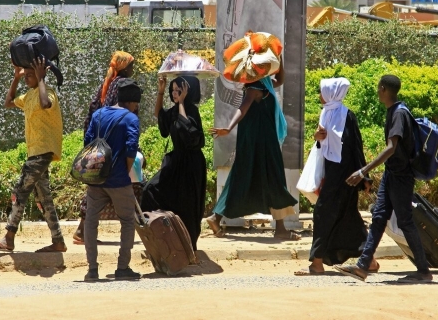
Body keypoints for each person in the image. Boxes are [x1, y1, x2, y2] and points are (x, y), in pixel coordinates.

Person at [334, 75, 433, 283]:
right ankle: (362, 266)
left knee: (405, 221)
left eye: (379, 89)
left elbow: (391, 148)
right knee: (379, 217)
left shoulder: (398, 114)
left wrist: (363, 171)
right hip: (392, 174)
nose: (377, 91)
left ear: (383, 89)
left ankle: (424, 270)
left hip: (401, 176)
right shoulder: (394, 111)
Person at [294, 77, 378, 276]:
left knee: (323, 214)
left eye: (322, 92)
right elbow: (323, 146)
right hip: (332, 174)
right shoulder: (326, 113)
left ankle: (317, 263)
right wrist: (317, 138)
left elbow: (356, 147)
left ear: (332, 94)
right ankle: (370, 261)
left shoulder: (347, 116)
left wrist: (363, 177)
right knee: (348, 217)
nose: (320, 96)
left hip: (346, 177)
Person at [207, 65, 300, 240]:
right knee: (274, 178)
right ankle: (280, 229)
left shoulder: (265, 84)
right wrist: (228, 127)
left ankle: (215, 217)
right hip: (262, 142)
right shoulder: (255, 86)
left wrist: (279, 62)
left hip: (256, 141)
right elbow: (243, 107)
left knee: (241, 177)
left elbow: (280, 80)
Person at [0, 57, 66, 253]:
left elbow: (45, 103)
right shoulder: (28, 96)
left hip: (43, 151)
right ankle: (58, 241)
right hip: (34, 152)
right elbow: (9, 102)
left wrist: (40, 79)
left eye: (31, 75)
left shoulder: (48, 93)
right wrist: (16, 78)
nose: (28, 78)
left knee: (20, 191)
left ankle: (9, 237)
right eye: (27, 76)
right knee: (44, 197)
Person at [83, 78, 142, 281]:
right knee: (127, 221)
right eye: (136, 104)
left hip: (96, 178)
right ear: (133, 102)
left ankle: (92, 270)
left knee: (91, 221)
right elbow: (131, 149)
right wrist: (124, 172)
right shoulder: (131, 119)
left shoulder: (99, 114)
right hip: (118, 180)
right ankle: (122, 268)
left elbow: (87, 141)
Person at [73, 51, 135, 243]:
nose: (133, 69)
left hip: (98, 140)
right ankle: (84, 231)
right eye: (131, 65)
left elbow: (94, 110)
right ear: (124, 67)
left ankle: (84, 230)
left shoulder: (107, 83)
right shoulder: (120, 85)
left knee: (97, 184)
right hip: (111, 142)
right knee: (108, 184)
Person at [141, 75, 207, 252]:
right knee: (150, 190)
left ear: (188, 91)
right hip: (176, 162)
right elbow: (160, 116)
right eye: (174, 90)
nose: (175, 93)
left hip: (191, 165)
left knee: (187, 204)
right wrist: (161, 91)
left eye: (180, 90)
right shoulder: (173, 110)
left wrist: (182, 104)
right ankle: (163, 237)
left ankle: (189, 247)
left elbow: (190, 134)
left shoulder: (191, 111)